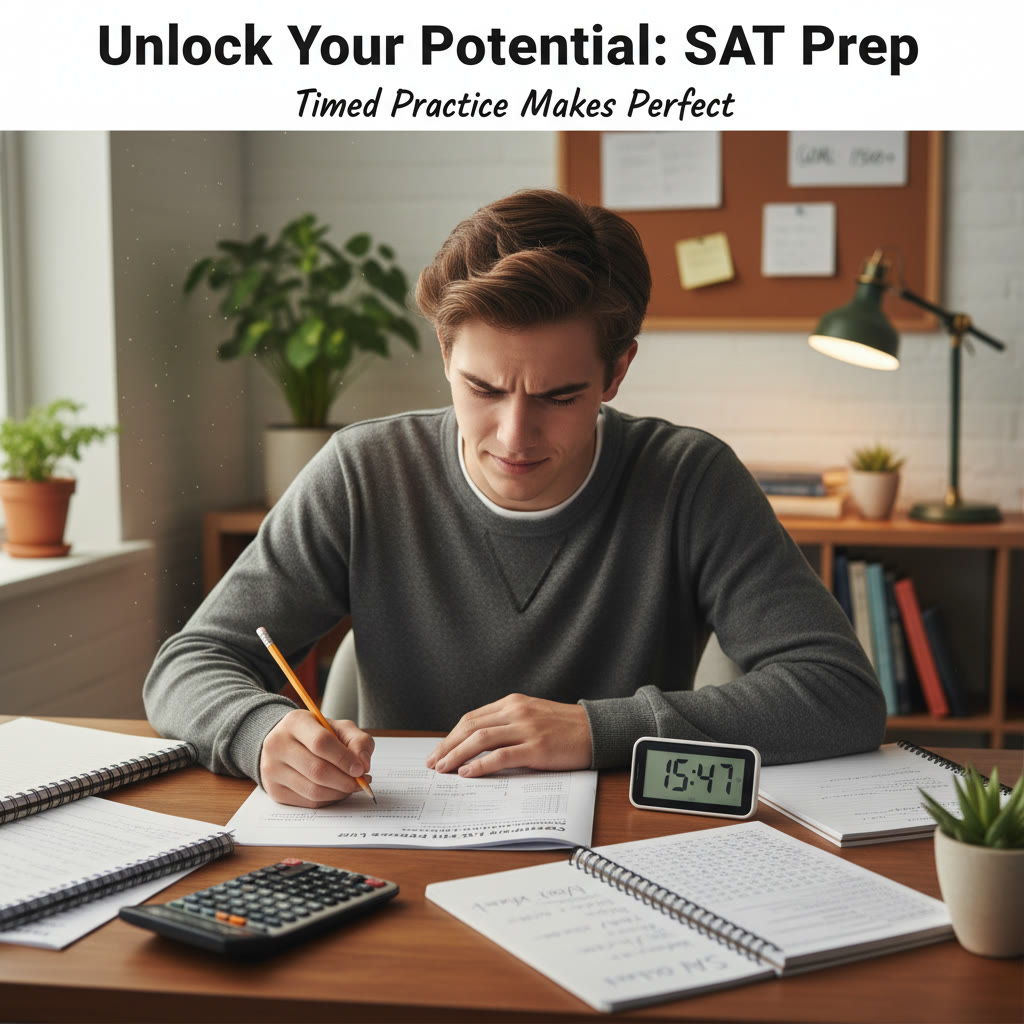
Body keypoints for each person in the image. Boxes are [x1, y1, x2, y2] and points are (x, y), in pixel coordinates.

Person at [144, 188, 885, 807]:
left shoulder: (688, 479)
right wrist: (260, 732)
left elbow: (839, 694)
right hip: (405, 851)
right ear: (445, 354)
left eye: (560, 396)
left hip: (624, 856)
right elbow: (191, 662)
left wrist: (598, 731)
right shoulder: (364, 472)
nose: (514, 435)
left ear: (617, 372)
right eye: (483, 389)